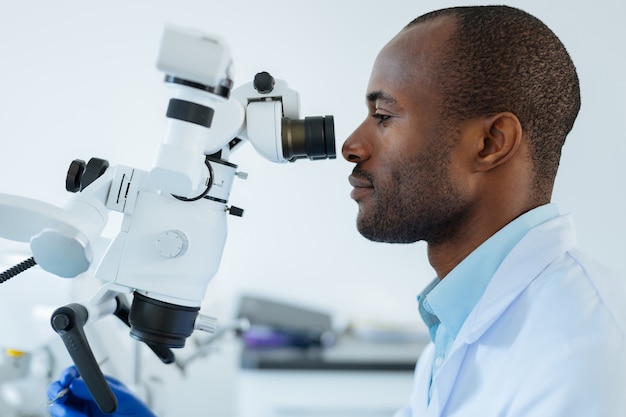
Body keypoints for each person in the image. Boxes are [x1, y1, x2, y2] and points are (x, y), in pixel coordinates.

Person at [47, 5, 626, 417]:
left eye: (384, 114)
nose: (350, 143)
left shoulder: (580, 354)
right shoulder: (467, 320)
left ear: (490, 143)